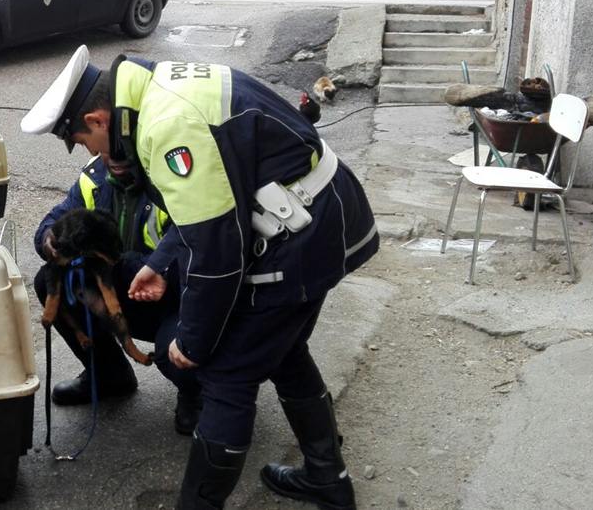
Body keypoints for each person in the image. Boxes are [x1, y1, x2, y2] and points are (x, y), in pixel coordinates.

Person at [21, 46, 378, 510]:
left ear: (98, 119)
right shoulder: (157, 90)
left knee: (228, 374)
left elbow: (218, 253)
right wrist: (160, 259)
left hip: (300, 234)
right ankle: (327, 479)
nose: (88, 152)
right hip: (313, 219)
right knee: (286, 351)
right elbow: (204, 206)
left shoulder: (167, 126)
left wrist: (193, 341)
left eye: (83, 140)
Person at [34, 149, 202, 434]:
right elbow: (58, 217)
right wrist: (49, 238)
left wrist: (162, 272)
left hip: (178, 295)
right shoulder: (95, 174)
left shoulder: (174, 172)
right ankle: (110, 376)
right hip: (130, 288)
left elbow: (203, 249)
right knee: (49, 282)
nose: (108, 155)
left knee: (174, 351)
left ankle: (199, 393)